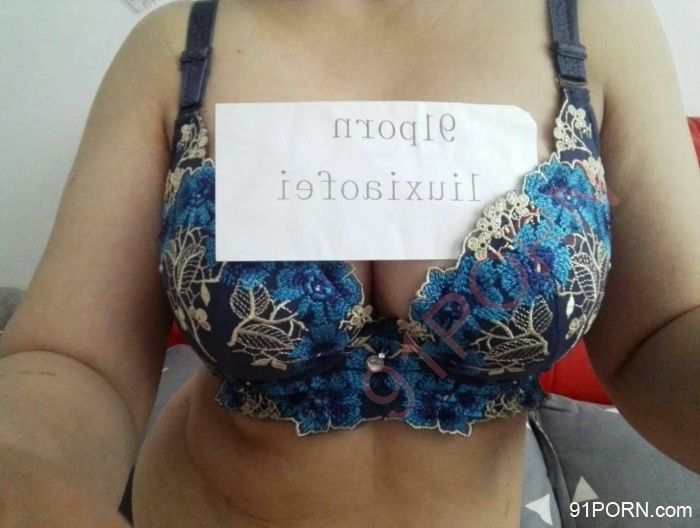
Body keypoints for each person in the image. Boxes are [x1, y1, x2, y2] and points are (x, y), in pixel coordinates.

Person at [1, 1, 698, 527]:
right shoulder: (177, 46)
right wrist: (28, 480)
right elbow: (74, 356)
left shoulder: (597, 30)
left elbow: (664, 327)